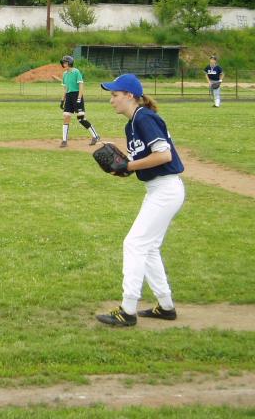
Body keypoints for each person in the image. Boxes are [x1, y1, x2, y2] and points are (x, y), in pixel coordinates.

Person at [95, 74, 185, 327]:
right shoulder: (131, 124)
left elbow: (164, 155)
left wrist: (130, 165)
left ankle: (128, 309)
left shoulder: (144, 117)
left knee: (134, 244)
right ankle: (166, 306)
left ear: (130, 96)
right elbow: (142, 163)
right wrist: (124, 169)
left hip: (166, 189)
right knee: (148, 247)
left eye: (115, 95)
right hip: (157, 189)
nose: (111, 100)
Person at [59, 55, 100, 147]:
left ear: (69, 63)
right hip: (69, 96)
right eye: (63, 62)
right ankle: (64, 141)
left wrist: (79, 98)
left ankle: (96, 136)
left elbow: (81, 86)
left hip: (77, 95)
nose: (63, 64)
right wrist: (62, 100)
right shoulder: (65, 74)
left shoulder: (76, 72)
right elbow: (65, 89)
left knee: (81, 118)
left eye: (65, 62)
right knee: (66, 117)